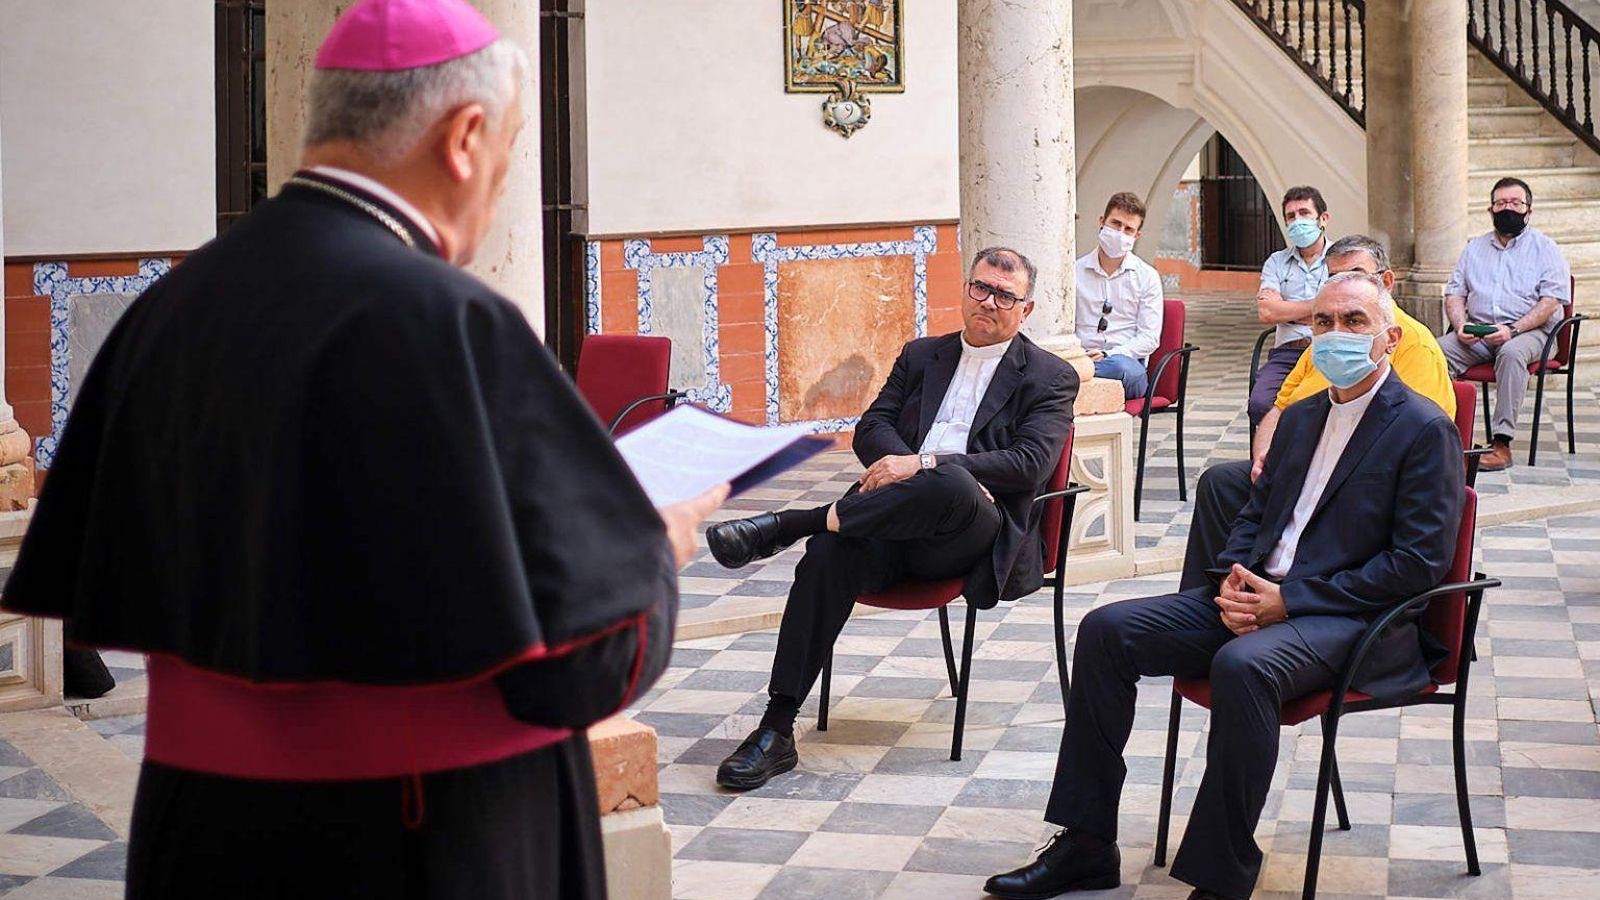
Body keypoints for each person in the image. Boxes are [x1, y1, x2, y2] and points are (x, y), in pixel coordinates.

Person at [0, 2, 725, 897]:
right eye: (508, 151)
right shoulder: (451, 323)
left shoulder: (167, 311)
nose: (502, 183)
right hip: (422, 839)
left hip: (196, 831)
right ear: (465, 138)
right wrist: (656, 541)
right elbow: (583, 666)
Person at [986, 272, 1464, 900]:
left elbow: (1417, 565)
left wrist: (1287, 601)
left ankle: (1221, 875)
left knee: (1244, 667)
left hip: (1352, 618)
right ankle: (1085, 842)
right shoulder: (1300, 419)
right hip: (1263, 599)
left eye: (1354, 322)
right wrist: (1236, 581)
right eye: (1323, 322)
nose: (1336, 335)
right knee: (1106, 631)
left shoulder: (1423, 429)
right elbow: (1253, 514)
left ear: (1389, 337)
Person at [705, 247, 1078, 790]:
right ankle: (777, 726)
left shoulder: (1048, 375)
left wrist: (921, 462)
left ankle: (795, 522)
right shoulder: (922, 354)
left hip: (968, 536)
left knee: (950, 482)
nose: (989, 303)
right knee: (828, 554)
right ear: (966, 289)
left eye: (1005, 295)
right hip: (888, 526)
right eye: (981, 288)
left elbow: (1029, 465)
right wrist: (905, 472)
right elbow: (871, 427)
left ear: (1027, 308)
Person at [1180, 234, 1456, 593]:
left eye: (1357, 276)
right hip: (1302, 458)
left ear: (1386, 282)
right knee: (1221, 483)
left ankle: (1292, 592)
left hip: (1361, 474)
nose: (1343, 287)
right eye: (1333, 279)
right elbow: (1281, 405)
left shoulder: (1413, 344)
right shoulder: (1326, 339)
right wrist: (1265, 458)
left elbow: (1408, 432)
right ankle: (1221, 591)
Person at [1438, 176, 1572, 471]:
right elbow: (1455, 293)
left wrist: (1513, 330)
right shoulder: (1474, 248)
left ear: (1528, 210)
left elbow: (1552, 301)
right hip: (1478, 332)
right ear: (1490, 209)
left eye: (1515, 203)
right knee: (1433, 352)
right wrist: (1460, 324)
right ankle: (1442, 436)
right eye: (1500, 203)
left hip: (1531, 332)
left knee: (1511, 354)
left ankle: (1501, 443)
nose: (1507, 208)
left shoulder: (1546, 248)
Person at [1249, 185, 1333, 425]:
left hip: (1328, 348)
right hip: (1288, 351)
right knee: (1260, 404)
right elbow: (1267, 312)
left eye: (1304, 213)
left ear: (1323, 219)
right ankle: (1274, 460)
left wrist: (1287, 311)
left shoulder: (1340, 257)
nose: (1297, 221)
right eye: (1291, 216)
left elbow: (1341, 309)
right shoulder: (1276, 262)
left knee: (1317, 406)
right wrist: (1319, 309)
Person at [1074, 192, 1164, 399]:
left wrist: (1107, 355)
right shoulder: (1074, 272)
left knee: (1122, 369)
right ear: (1102, 222)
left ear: (1136, 236)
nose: (1120, 233)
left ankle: (1070, 377)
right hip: (1079, 355)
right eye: (1115, 224)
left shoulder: (1147, 277)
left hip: (1123, 363)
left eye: (1128, 229)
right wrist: (1080, 356)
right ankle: (1073, 374)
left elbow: (1149, 338)